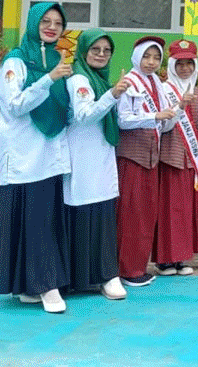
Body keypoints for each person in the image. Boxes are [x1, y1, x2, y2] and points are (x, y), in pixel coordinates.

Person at [0, 2, 73, 313]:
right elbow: (15, 105)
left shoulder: (57, 59)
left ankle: (29, 285)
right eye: (45, 21)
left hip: (51, 153)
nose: (51, 27)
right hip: (25, 157)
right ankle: (46, 285)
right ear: (33, 23)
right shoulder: (16, 60)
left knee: (45, 220)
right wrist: (49, 79)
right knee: (33, 222)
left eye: (58, 23)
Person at [62, 28, 129, 302]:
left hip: (99, 158)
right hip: (82, 159)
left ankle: (105, 274)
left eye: (106, 50)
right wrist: (113, 94)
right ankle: (80, 278)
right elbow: (84, 114)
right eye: (95, 49)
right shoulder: (79, 78)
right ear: (83, 51)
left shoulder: (99, 79)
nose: (101, 55)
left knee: (101, 215)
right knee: (82, 214)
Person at [116, 36, 178, 287]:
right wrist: (154, 116)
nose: (151, 62)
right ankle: (126, 269)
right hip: (132, 157)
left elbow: (165, 123)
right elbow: (123, 120)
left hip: (151, 157)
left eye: (156, 57)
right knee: (130, 214)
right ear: (136, 57)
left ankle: (137, 266)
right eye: (146, 56)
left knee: (145, 214)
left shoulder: (156, 84)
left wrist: (177, 110)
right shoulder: (129, 82)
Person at [154, 39, 198, 278]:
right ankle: (165, 259)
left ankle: (183, 257)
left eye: (189, 63)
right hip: (170, 157)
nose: (185, 68)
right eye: (180, 63)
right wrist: (179, 106)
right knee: (168, 210)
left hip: (192, 160)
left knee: (186, 212)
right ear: (172, 65)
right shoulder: (162, 90)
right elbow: (163, 126)